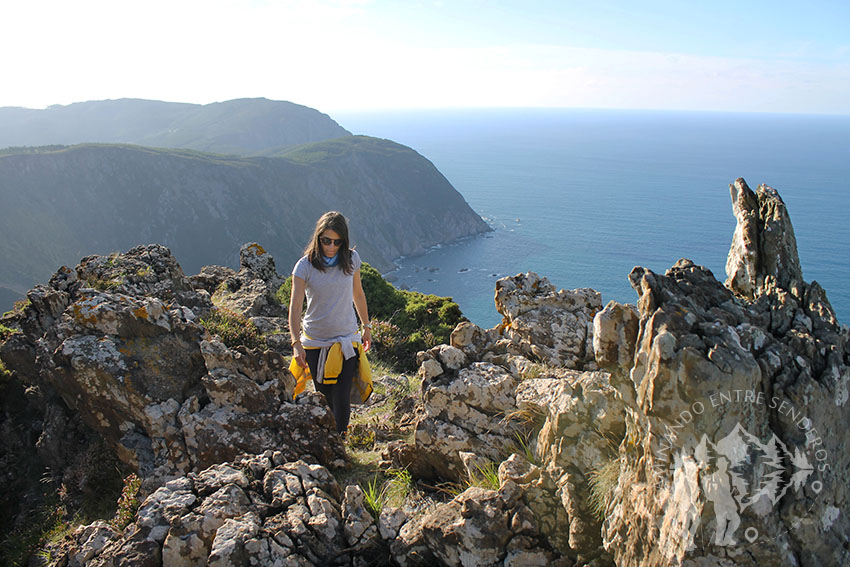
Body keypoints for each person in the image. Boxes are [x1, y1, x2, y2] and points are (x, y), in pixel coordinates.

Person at [288, 211, 373, 434]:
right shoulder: (304, 266)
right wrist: (296, 343)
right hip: (315, 343)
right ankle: (328, 440)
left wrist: (367, 326)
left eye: (337, 242)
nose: (331, 246)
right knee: (324, 395)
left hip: (347, 340)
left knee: (342, 396)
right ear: (318, 238)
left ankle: (340, 443)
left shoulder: (352, 259)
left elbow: (358, 294)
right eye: (326, 241)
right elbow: (295, 307)